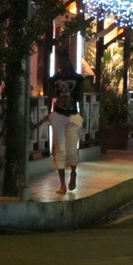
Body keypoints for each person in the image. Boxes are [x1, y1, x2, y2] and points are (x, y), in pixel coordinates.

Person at [33, 59, 84, 194]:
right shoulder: (54, 79)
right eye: (60, 64)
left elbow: (80, 98)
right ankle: (62, 185)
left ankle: (73, 172)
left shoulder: (77, 79)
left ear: (68, 63)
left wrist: (82, 116)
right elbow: (50, 97)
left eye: (63, 63)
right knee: (60, 149)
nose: (61, 66)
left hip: (73, 115)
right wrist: (49, 113)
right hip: (58, 114)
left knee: (72, 149)